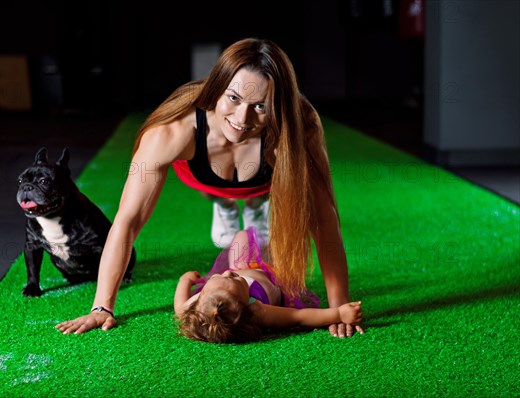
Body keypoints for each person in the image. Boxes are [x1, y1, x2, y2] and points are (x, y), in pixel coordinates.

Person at [56, 37, 360, 338]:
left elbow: (323, 221)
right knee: (217, 194)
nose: (243, 118)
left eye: (260, 107)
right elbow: (129, 220)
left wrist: (339, 308)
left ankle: (257, 202)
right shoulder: (172, 131)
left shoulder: (297, 128)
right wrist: (102, 307)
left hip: (263, 180)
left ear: (278, 107)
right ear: (217, 89)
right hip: (201, 176)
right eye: (234, 98)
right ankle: (223, 202)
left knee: (279, 193)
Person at [174, 228, 363, 343]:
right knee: (289, 245)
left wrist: (185, 281)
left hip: (244, 265)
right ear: (246, 302)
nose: (226, 272)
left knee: (241, 237)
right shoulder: (257, 311)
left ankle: (257, 215)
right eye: (233, 279)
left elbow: (179, 309)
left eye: (218, 277)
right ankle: (270, 222)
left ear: (204, 294)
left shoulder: (200, 306)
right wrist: (338, 314)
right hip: (275, 276)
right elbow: (299, 317)